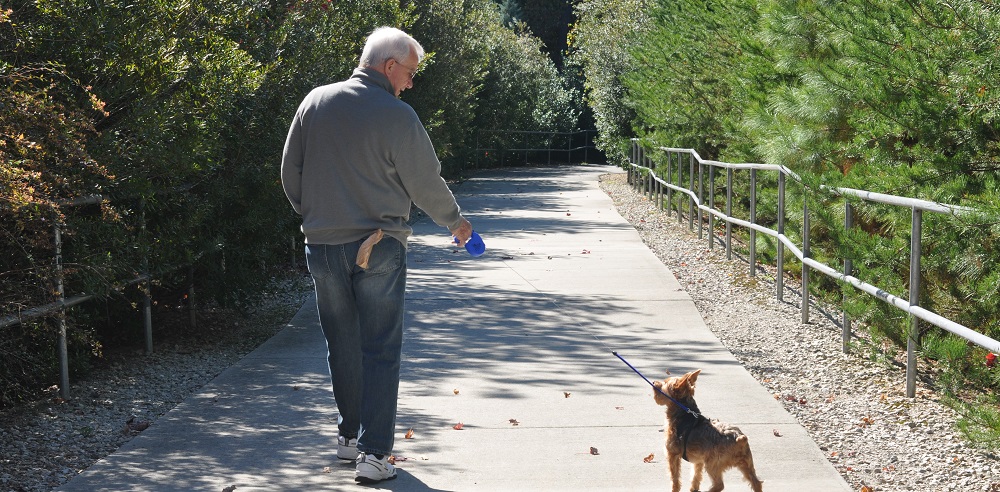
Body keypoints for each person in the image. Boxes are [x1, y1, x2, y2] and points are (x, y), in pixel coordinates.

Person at [280, 26, 473, 484]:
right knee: (381, 346)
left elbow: (290, 172)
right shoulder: (397, 116)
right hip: (380, 245)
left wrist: (316, 216)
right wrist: (456, 222)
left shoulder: (315, 102)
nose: (410, 83)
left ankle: (348, 440)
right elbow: (425, 183)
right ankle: (375, 455)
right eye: (409, 73)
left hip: (322, 245)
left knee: (340, 343)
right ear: (389, 66)